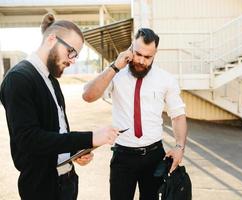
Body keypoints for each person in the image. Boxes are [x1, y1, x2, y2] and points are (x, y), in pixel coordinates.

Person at [0, 13, 119, 200]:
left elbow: (57, 131)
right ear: (51, 39)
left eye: (76, 55)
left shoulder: (51, 79)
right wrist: (89, 138)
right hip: (41, 187)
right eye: (71, 52)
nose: (73, 60)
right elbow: (29, 140)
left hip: (67, 181)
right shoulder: (18, 79)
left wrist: (74, 153)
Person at [83, 28, 188, 200]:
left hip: (154, 156)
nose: (141, 60)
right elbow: (88, 96)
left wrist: (179, 147)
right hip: (123, 157)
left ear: (155, 54)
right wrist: (115, 66)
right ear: (131, 48)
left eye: (148, 57)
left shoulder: (165, 79)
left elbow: (178, 115)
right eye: (138, 54)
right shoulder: (116, 74)